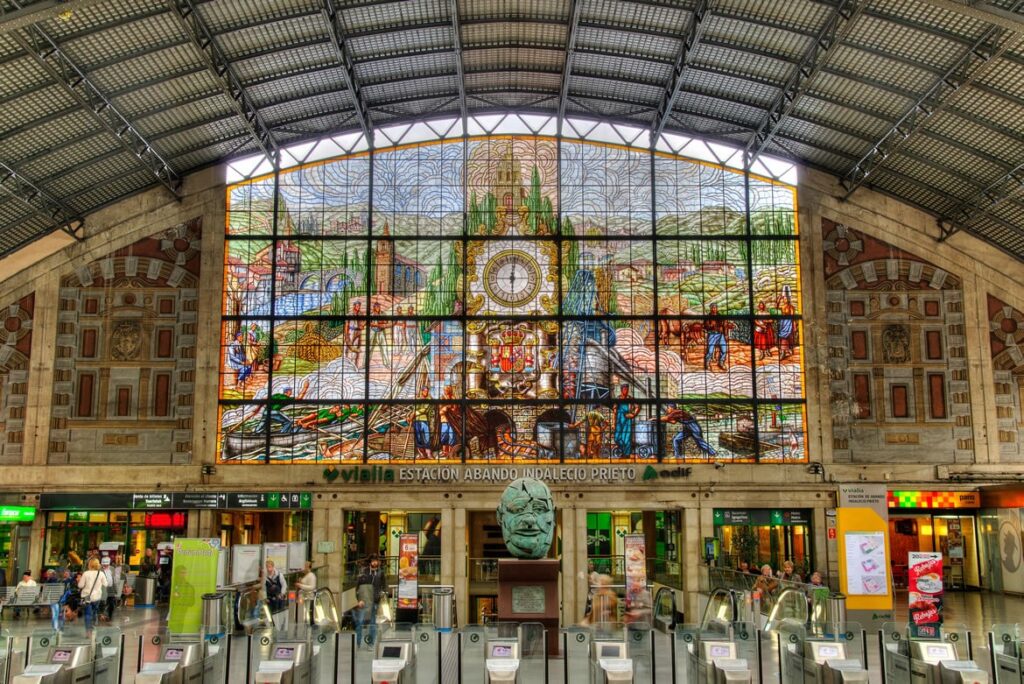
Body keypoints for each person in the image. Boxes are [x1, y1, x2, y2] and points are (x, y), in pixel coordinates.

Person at [354, 556, 386, 649]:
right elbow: (358, 587)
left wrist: (381, 596)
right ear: (370, 562)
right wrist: (358, 600)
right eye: (373, 561)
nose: (375, 563)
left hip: (375, 601)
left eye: (376, 561)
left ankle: (371, 643)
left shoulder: (380, 573)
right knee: (360, 622)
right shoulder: (364, 573)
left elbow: (383, 587)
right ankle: (358, 643)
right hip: (364, 601)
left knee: (373, 623)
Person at [78, 558, 108, 633]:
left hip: (86, 597)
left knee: (88, 614)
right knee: (94, 612)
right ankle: (93, 630)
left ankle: (88, 631)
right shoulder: (100, 573)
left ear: (90, 564)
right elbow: (106, 584)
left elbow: (80, 585)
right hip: (97, 597)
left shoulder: (86, 573)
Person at [410, 386, 437, 459]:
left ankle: (429, 454)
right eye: (425, 391)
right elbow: (413, 408)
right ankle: (421, 454)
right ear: (422, 391)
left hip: (424, 420)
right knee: (418, 438)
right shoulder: (418, 399)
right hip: (416, 421)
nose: (426, 392)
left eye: (427, 391)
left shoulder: (429, 400)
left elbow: (425, 410)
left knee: (426, 437)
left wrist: (415, 413)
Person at [613, 384, 639, 458]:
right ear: (621, 390)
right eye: (624, 389)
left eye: (627, 389)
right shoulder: (618, 399)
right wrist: (613, 422)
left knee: (627, 438)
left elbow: (637, 407)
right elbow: (614, 411)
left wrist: (633, 414)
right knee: (617, 438)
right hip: (619, 419)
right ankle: (623, 449)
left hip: (627, 420)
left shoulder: (630, 398)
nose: (626, 391)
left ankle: (626, 454)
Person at [703, 304, 732, 371]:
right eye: (712, 308)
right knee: (710, 351)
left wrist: (726, 335)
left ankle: (721, 362)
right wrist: (711, 325)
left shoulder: (721, 317)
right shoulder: (708, 317)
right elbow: (706, 327)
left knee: (724, 350)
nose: (714, 309)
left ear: (717, 308)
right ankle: (707, 362)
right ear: (710, 309)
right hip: (712, 335)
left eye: (715, 308)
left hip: (721, 335)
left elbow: (724, 326)